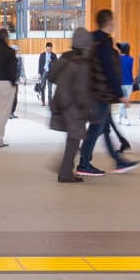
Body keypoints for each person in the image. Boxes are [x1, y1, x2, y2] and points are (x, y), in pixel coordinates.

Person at [76, 9, 139, 176]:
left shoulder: (91, 40)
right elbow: (109, 69)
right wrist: (120, 94)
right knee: (97, 128)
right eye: (113, 22)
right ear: (109, 22)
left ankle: (115, 160)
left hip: (91, 91)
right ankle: (84, 162)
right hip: (100, 93)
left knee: (103, 127)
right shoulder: (104, 42)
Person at [49, 29, 97, 183]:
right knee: (74, 139)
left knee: (73, 139)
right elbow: (82, 88)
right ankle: (65, 172)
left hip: (64, 103)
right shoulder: (81, 63)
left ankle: (65, 168)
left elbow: (53, 76)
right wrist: (86, 108)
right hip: (74, 106)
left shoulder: (66, 59)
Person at [117, 41, 134, 124]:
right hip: (129, 82)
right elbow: (130, 71)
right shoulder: (131, 59)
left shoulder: (117, 59)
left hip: (120, 82)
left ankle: (120, 117)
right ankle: (126, 118)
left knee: (122, 101)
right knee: (124, 101)